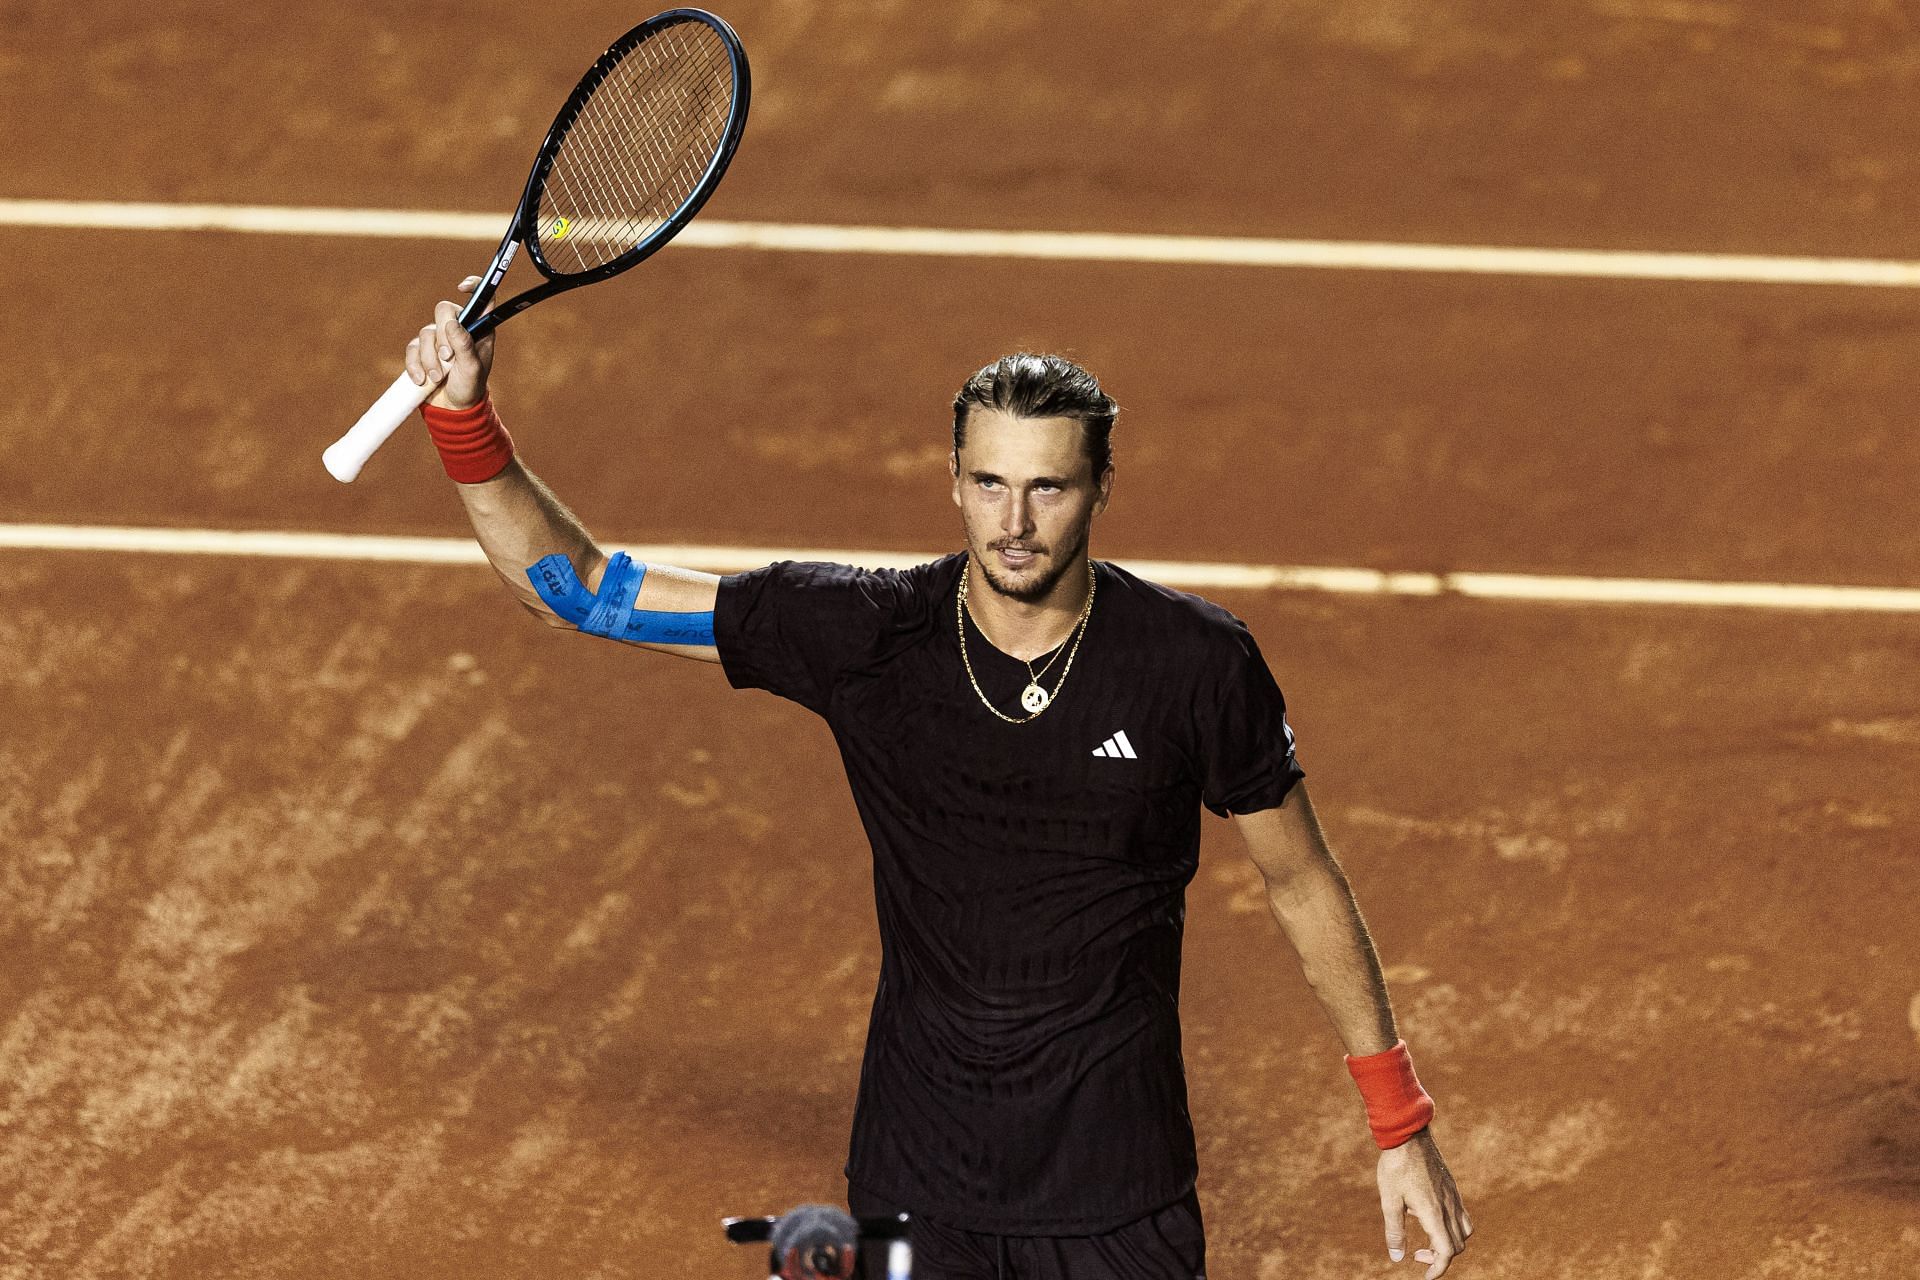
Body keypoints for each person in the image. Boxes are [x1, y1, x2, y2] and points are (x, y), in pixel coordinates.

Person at [398, 280, 1474, 1280]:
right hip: (918, 1183)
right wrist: (466, 419)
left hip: (1118, 1193)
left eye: (1048, 485)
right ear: (952, 480)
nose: (1013, 522)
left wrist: (1398, 1121)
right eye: (989, 482)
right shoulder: (870, 635)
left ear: (1101, 486)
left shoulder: (1193, 663)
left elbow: (1302, 878)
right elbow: (583, 590)